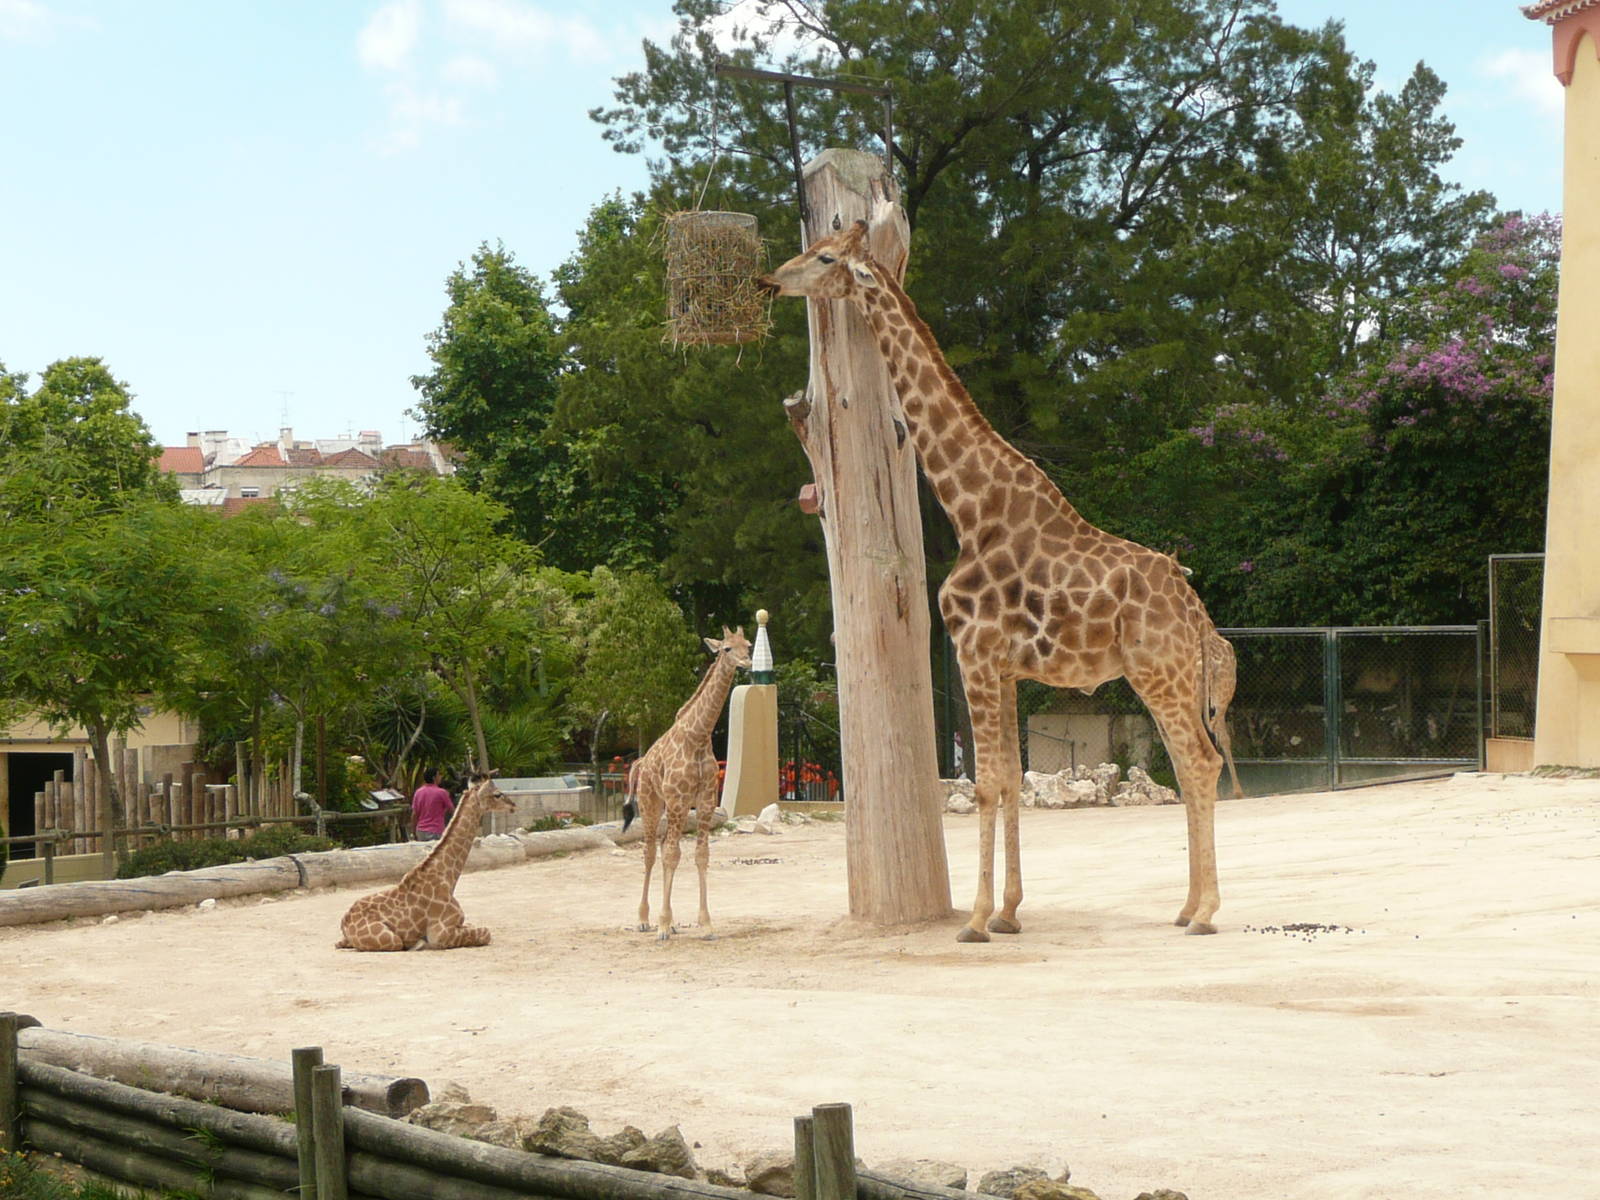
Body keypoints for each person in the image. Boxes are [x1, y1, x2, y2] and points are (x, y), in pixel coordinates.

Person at [410, 768, 454, 841]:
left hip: (421, 832)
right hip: (436, 831)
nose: (440, 777)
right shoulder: (442, 793)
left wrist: (413, 832)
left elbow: (414, 814)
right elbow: (452, 810)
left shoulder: (418, 792)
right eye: (439, 775)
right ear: (434, 778)